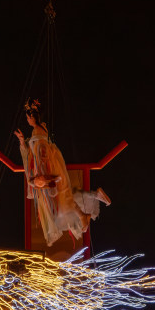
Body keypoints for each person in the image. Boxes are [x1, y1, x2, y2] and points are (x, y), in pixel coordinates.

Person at [15, 100, 110, 246]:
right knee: (64, 200)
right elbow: (36, 151)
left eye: (28, 117)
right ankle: (85, 212)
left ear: (34, 117)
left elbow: (41, 153)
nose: (28, 120)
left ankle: (91, 201)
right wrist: (22, 142)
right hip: (48, 169)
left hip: (48, 169)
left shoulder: (39, 131)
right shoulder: (39, 130)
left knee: (61, 205)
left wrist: (43, 177)